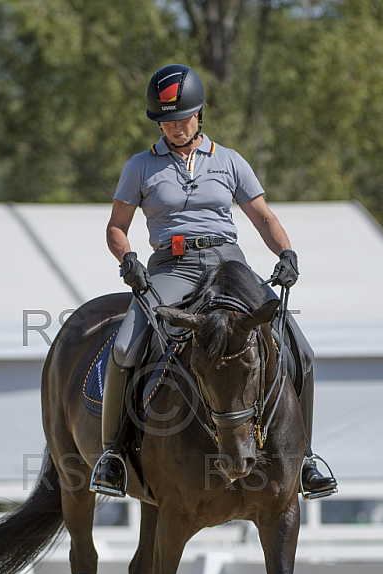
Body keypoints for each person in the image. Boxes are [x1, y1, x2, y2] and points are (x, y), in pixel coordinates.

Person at [90, 63, 337, 500]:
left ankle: (307, 459)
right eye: (165, 121)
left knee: (303, 350)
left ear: (199, 114)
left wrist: (286, 253)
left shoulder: (229, 160)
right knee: (126, 346)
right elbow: (116, 226)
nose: (174, 128)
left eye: (181, 119)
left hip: (229, 263)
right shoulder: (140, 166)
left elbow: (262, 215)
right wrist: (127, 257)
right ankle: (112, 455)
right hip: (172, 265)